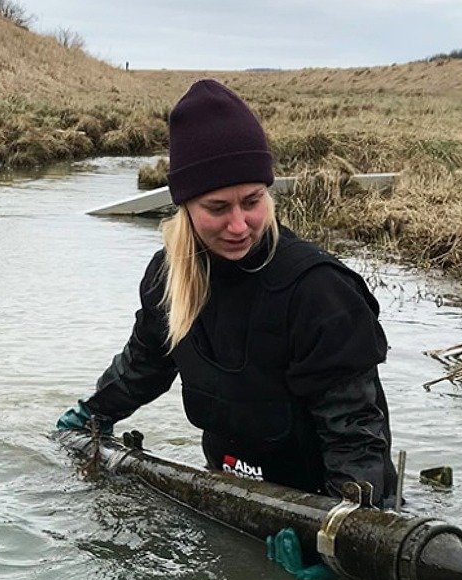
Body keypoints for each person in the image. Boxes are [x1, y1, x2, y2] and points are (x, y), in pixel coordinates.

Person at [57, 79, 396, 511]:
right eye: (217, 208)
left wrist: (341, 535)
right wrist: (91, 415)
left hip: (319, 500)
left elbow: (355, 434)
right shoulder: (169, 277)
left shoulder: (320, 291)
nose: (239, 225)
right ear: (185, 207)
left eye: (252, 201)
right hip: (227, 494)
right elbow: (143, 367)